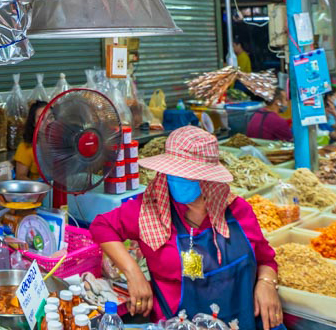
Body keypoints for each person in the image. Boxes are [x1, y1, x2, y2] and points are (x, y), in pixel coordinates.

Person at [90, 127, 283, 329]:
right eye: (172, 173)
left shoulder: (237, 211)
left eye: (186, 175)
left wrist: (267, 283)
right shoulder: (151, 210)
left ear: (209, 179)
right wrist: (133, 273)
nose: (175, 180)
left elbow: (265, 259)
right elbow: (102, 226)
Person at [13, 100, 46, 179]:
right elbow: (20, 176)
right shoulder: (26, 147)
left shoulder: (64, 142)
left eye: (51, 117)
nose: (47, 121)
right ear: (34, 123)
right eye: (41, 118)